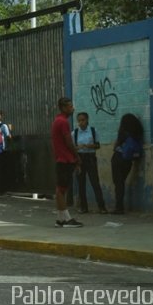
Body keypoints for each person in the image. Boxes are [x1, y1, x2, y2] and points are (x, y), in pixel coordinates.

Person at [51, 97, 83, 228]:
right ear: (63, 108)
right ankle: (66, 219)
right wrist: (77, 157)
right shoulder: (63, 122)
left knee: (61, 189)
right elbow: (69, 142)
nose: (72, 108)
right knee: (61, 190)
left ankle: (61, 218)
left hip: (61, 159)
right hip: (65, 159)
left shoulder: (57, 121)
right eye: (70, 106)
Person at [73, 112, 107, 214]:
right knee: (81, 184)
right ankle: (84, 207)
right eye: (79, 120)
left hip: (90, 158)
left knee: (95, 182)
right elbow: (72, 148)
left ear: (87, 120)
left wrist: (89, 146)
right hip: (80, 159)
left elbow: (97, 145)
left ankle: (102, 207)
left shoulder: (93, 131)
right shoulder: (74, 133)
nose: (81, 123)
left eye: (83, 120)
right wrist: (77, 149)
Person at [111, 113, 144, 214]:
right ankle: (119, 207)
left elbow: (115, 146)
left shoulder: (123, 132)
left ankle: (119, 207)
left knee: (118, 183)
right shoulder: (137, 133)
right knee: (122, 182)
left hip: (118, 158)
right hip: (128, 160)